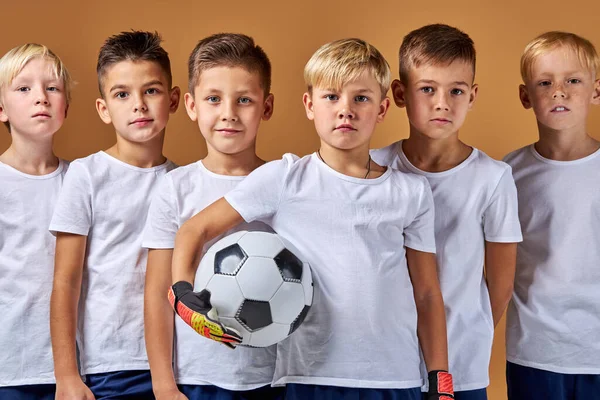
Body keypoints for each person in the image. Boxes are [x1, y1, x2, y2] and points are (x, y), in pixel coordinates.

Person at [170, 38, 454, 400]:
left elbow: (427, 293)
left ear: (382, 109)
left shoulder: (410, 193)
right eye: (331, 97)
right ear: (310, 104)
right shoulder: (284, 178)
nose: (345, 110)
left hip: (394, 378)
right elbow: (195, 228)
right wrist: (181, 292)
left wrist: (440, 380)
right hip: (310, 375)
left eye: (361, 98)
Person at [371, 24, 522, 400]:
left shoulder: (493, 178)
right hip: (388, 363)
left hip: (460, 364)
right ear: (400, 94)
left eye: (456, 91)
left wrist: (468, 333)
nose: (443, 103)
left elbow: (500, 286)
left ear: (472, 97)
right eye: (428, 89)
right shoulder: (373, 167)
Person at [143, 33, 283, 400]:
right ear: (191, 105)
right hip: (197, 375)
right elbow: (159, 291)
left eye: (245, 100)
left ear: (266, 107)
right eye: (213, 99)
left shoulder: (285, 184)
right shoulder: (175, 188)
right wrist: (163, 384)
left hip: (274, 376)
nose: (228, 113)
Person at [49, 30, 180, 399]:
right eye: (122, 94)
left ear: (172, 100)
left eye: (151, 91)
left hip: (175, 363)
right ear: (104, 109)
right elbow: (65, 281)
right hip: (110, 363)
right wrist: (66, 376)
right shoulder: (87, 175)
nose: (138, 104)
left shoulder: (183, 181)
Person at [503, 31, 600, 400]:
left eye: (573, 80)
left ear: (596, 90)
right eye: (545, 82)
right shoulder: (507, 173)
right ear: (525, 96)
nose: (559, 91)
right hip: (535, 353)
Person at [0, 43, 72, 400]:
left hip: (73, 368)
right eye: (23, 88)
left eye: (52, 88)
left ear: (66, 107)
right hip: (11, 367)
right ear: (1, 108)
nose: (41, 97)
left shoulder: (82, 180)